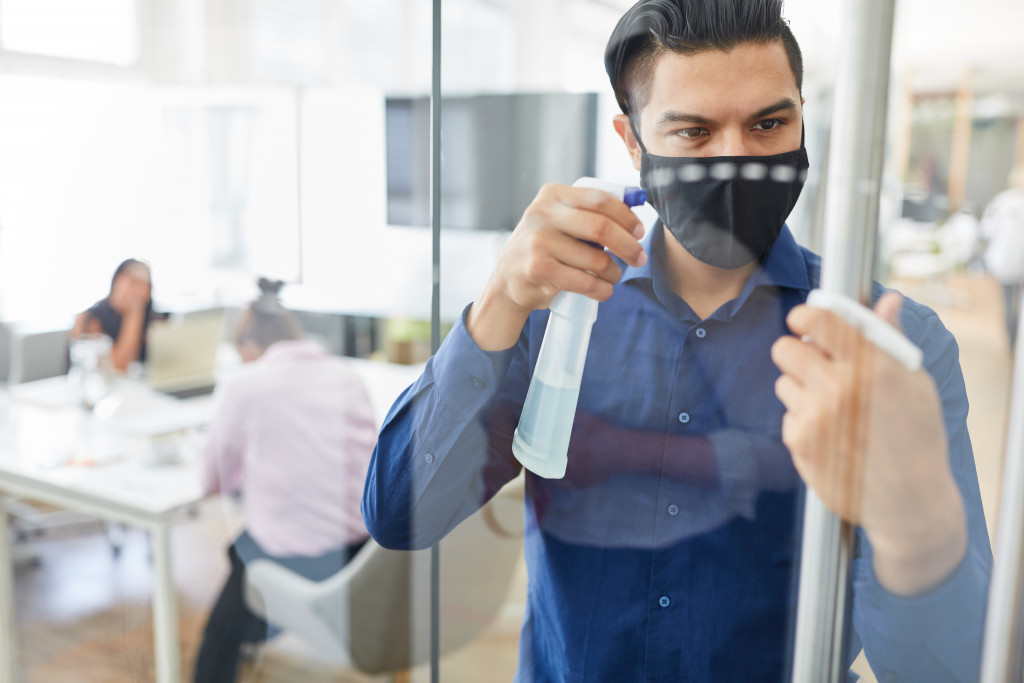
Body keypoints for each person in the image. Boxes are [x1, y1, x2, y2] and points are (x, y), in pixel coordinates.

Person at [362, 1, 992, 681]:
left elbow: (955, 666)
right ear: (632, 144)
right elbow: (402, 512)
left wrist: (915, 530)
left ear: (803, 117)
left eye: (769, 123)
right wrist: (501, 299)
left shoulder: (894, 345)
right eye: (693, 131)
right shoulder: (552, 313)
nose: (735, 159)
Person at [193, 278, 378, 683]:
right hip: (364, 555)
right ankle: (259, 633)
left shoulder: (244, 386)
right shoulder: (346, 376)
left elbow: (209, 482)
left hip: (299, 564)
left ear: (248, 349)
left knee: (239, 567)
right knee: (241, 547)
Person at [69, 258, 161, 373]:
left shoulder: (152, 317)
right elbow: (117, 367)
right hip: (97, 385)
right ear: (117, 281)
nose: (141, 292)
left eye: (146, 286)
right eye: (134, 283)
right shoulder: (90, 318)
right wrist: (134, 315)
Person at [981, 165, 1024, 351]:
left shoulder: (1001, 201)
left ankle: (1011, 340)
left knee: (1008, 301)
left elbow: (987, 229)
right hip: (1017, 261)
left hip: (1005, 261)